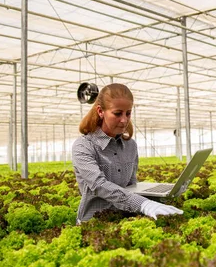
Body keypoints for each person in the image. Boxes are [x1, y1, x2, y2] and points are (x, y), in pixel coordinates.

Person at [72, 83, 183, 223]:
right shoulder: (84, 146)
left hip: (126, 219)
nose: (124, 119)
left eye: (128, 113)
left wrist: (157, 197)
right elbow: (99, 185)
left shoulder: (130, 145)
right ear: (100, 111)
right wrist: (143, 204)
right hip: (94, 223)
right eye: (117, 113)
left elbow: (131, 185)